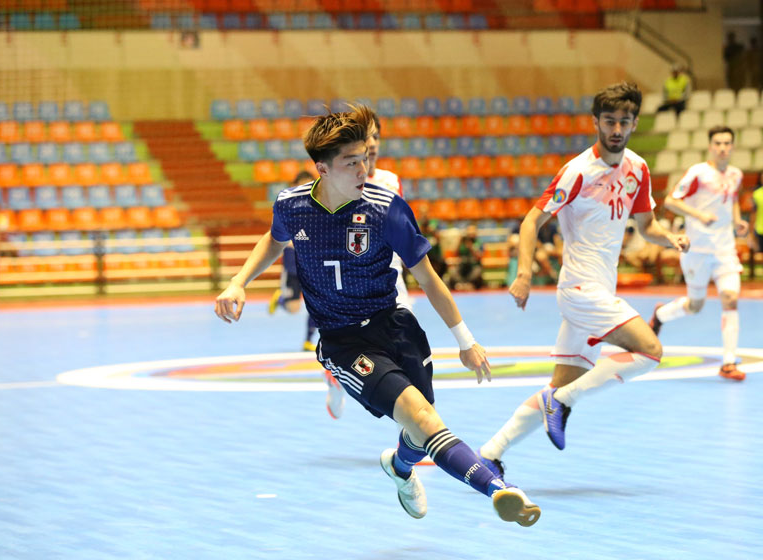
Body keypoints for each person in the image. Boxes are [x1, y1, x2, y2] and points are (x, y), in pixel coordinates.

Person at [214, 104, 540, 527]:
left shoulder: (387, 208)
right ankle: (499, 489)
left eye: (366, 158)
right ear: (322, 169)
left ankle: (400, 468)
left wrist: (466, 341)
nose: (364, 169)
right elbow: (273, 241)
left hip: (395, 324)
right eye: (351, 163)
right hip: (344, 342)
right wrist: (239, 281)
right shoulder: (292, 206)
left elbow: (428, 278)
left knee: (422, 430)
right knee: (423, 420)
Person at [477, 82, 689, 475]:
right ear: (596, 122)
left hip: (597, 293)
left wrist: (670, 238)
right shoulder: (577, 172)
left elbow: (647, 226)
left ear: (634, 123)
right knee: (650, 351)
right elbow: (531, 221)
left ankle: (490, 453)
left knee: (555, 388)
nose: (616, 129)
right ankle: (565, 401)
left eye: (624, 122)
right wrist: (524, 274)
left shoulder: (638, 169)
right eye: (609, 121)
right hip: (579, 289)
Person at [324, 108, 415, 420]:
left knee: (407, 353)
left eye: (375, 135)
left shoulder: (391, 181)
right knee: (357, 354)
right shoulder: (335, 183)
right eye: (365, 137)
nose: (372, 143)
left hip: (391, 280)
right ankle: (336, 377)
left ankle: (413, 433)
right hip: (353, 285)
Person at [649, 125, 749, 381]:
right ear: (710, 146)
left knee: (730, 298)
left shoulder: (736, 174)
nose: (723, 148)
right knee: (695, 305)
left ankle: (728, 363)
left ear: (733, 146)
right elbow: (671, 201)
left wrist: (737, 220)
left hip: (725, 251)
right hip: (697, 252)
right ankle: (660, 315)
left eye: (727, 143)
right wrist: (699, 215)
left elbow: (733, 199)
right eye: (718, 143)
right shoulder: (698, 173)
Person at [268, 171, 320, 351]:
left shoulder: (320, 207)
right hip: (292, 262)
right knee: (293, 308)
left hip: (313, 263)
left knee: (317, 302)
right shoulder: (286, 207)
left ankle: (308, 340)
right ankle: (282, 299)